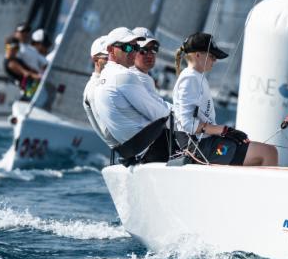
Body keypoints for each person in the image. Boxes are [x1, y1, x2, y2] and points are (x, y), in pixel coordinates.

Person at [173, 32, 278, 166]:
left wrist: (225, 132)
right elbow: (187, 124)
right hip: (200, 148)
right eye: (212, 56)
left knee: (265, 152)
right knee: (268, 153)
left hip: (205, 143)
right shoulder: (190, 78)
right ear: (197, 55)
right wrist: (224, 130)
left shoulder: (196, 77)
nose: (215, 60)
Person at [93, 27, 173, 163]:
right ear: (111, 50)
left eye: (135, 47)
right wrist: (199, 126)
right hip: (153, 150)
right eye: (127, 48)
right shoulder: (124, 76)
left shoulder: (105, 77)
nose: (133, 52)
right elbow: (162, 114)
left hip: (132, 152)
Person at [82, 35, 117, 147]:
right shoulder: (94, 88)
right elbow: (107, 132)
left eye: (112, 57)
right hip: (124, 149)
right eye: (106, 58)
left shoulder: (108, 82)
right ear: (95, 60)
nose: (111, 61)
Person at [131, 27, 160, 93]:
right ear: (132, 51)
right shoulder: (134, 79)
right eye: (143, 50)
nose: (150, 55)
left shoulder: (145, 78)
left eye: (154, 49)